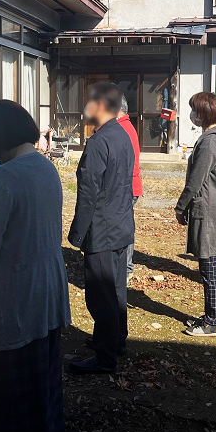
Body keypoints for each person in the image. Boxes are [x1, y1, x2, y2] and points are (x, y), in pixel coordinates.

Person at [0, 100, 71, 432]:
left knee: (12, 397)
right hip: (48, 291)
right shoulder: (47, 169)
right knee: (44, 385)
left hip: (15, 297)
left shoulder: (4, 178)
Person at [68, 82, 135, 374]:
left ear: (102, 106)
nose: (86, 109)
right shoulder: (122, 135)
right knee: (117, 290)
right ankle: (115, 341)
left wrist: (77, 232)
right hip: (121, 224)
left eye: (90, 103)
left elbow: (88, 192)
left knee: (101, 295)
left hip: (103, 228)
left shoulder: (99, 142)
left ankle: (105, 357)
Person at [175, 92, 216, 337]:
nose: (192, 115)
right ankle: (215, 315)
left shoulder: (210, 142)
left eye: (194, 110)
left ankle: (214, 321)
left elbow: (195, 181)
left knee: (210, 268)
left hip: (209, 210)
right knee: (212, 266)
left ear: (202, 114)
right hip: (215, 207)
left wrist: (180, 207)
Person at [117, 95, 142, 282]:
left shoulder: (122, 128)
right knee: (124, 228)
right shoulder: (125, 126)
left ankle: (124, 269)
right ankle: (125, 268)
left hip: (126, 187)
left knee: (122, 230)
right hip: (129, 186)